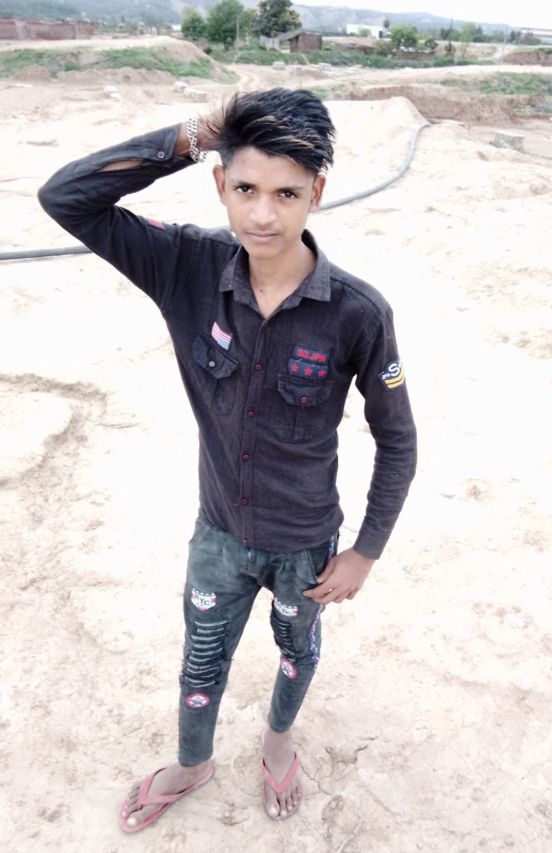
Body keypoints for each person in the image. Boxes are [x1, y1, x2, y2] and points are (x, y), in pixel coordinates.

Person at [38, 88, 417, 832]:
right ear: (220, 183)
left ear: (317, 193)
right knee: (200, 659)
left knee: (297, 649)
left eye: (287, 194)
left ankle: (277, 741)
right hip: (218, 535)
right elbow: (66, 198)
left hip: (306, 545)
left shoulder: (358, 312)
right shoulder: (185, 265)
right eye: (245, 188)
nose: (263, 215)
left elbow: (397, 438)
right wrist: (192, 134)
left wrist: (366, 551)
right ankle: (192, 763)